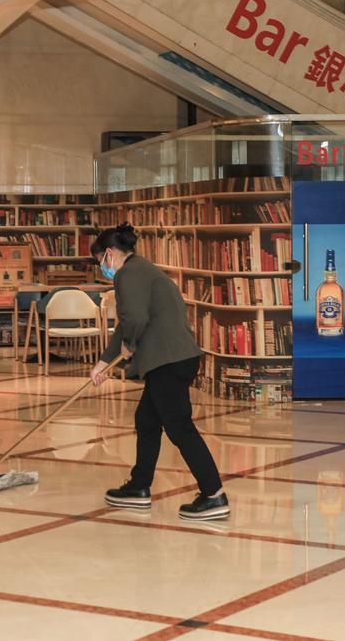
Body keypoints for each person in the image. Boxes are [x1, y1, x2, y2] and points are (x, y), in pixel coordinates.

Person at [89, 223, 229, 521]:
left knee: (179, 427)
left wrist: (129, 344)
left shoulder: (127, 274)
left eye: (100, 260)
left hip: (168, 361)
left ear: (109, 254)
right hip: (173, 359)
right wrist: (104, 362)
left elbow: (134, 319)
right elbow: (128, 322)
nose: (103, 267)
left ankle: (214, 494)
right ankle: (139, 486)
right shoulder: (141, 269)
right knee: (147, 420)